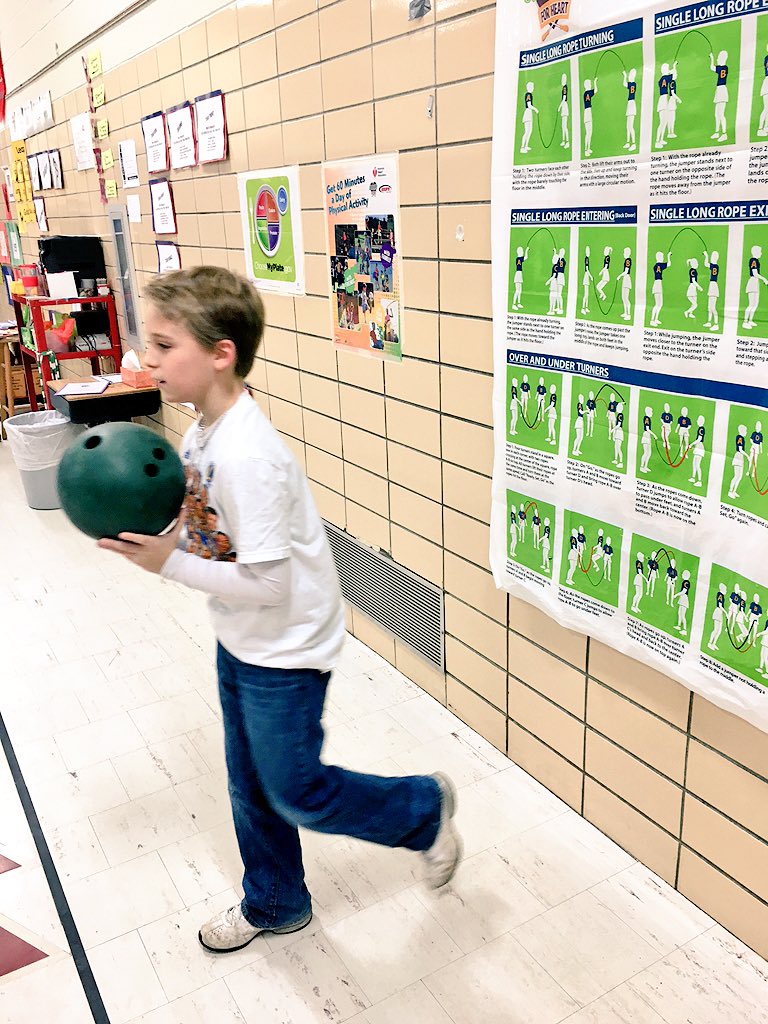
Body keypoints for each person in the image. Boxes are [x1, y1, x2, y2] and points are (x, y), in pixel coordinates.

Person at [98, 267, 461, 954]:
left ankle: (422, 810)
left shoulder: (247, 455)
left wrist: (167, 563)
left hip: (286, 647)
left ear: (220, 353)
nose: (149, 358)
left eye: (165, 344)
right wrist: (167, 535)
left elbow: (267, 583)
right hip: (241, 635)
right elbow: (217, 531)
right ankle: (276, 900)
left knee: (298, 791)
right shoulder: (205, 426)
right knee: (249, 784)